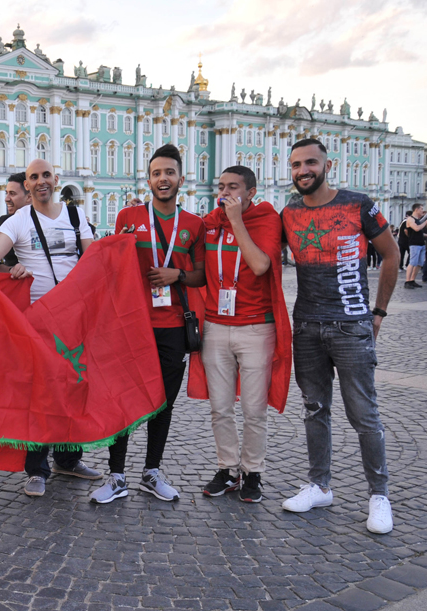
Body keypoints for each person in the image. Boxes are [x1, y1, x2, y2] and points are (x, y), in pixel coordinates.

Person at [280, 138, 398, 534]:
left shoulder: (358, 204)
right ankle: (319, 485)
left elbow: (391, 253)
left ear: (326, 165)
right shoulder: (288, 212)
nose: (303, 171)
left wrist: (378, 312)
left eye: (310, 162)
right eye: (296, 164)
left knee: (364, 414)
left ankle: (379, 495)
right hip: (307, 326)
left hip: (351, 325)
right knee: (315, 409)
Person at [0, 159, 102, 497]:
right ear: (26, 185)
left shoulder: (75, 216)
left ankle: (69, 459)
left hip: (74, 319)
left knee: (74, 389)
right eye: (34, 177)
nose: (41, 181)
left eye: (46, 175)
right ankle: (36, 469)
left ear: (56, 179)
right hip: (37, 320)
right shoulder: (17, 220)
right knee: (39, 394)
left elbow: (92, 262)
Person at [90, 144, 206, 504]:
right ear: (149, 179)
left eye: (169, 172)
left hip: (172, 325)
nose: (163, 179)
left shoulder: (193, 225)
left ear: (181, 179)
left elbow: (201, 275)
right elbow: (113, 263)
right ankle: (117, 475)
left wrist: (178, 274)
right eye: (157, 173)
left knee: (163, 403)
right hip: (131, 325)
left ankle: (151, 472)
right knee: (123, 399)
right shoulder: (128, 215)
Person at [198, 166, 283, 503]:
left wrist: (236, 222)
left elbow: (260, 265)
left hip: (255, 328)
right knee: (220, 407)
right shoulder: (211, 225)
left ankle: (253, 472)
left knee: (253, 408)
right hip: (216, 326)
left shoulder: (265, 219)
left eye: (233, 187)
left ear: (251, 191)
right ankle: (228, 468)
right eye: (221, 187)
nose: (225, 194)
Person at [0, 172, 31, 272]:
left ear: (29, 197)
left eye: (12, 194)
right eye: (7, 193)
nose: (6, 199)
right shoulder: (5, 222)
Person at [402, 205, 426, 288]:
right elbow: (416, 229)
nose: (422, 211)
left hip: (421, 243)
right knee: (412, 262)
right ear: (417, 209)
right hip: (414, 244)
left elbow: (419, 232)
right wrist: (425, 222)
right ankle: (407, 281)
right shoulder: (410, 219)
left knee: (419, 263)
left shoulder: (418, 220)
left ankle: (412, 280)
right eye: (421, 209)